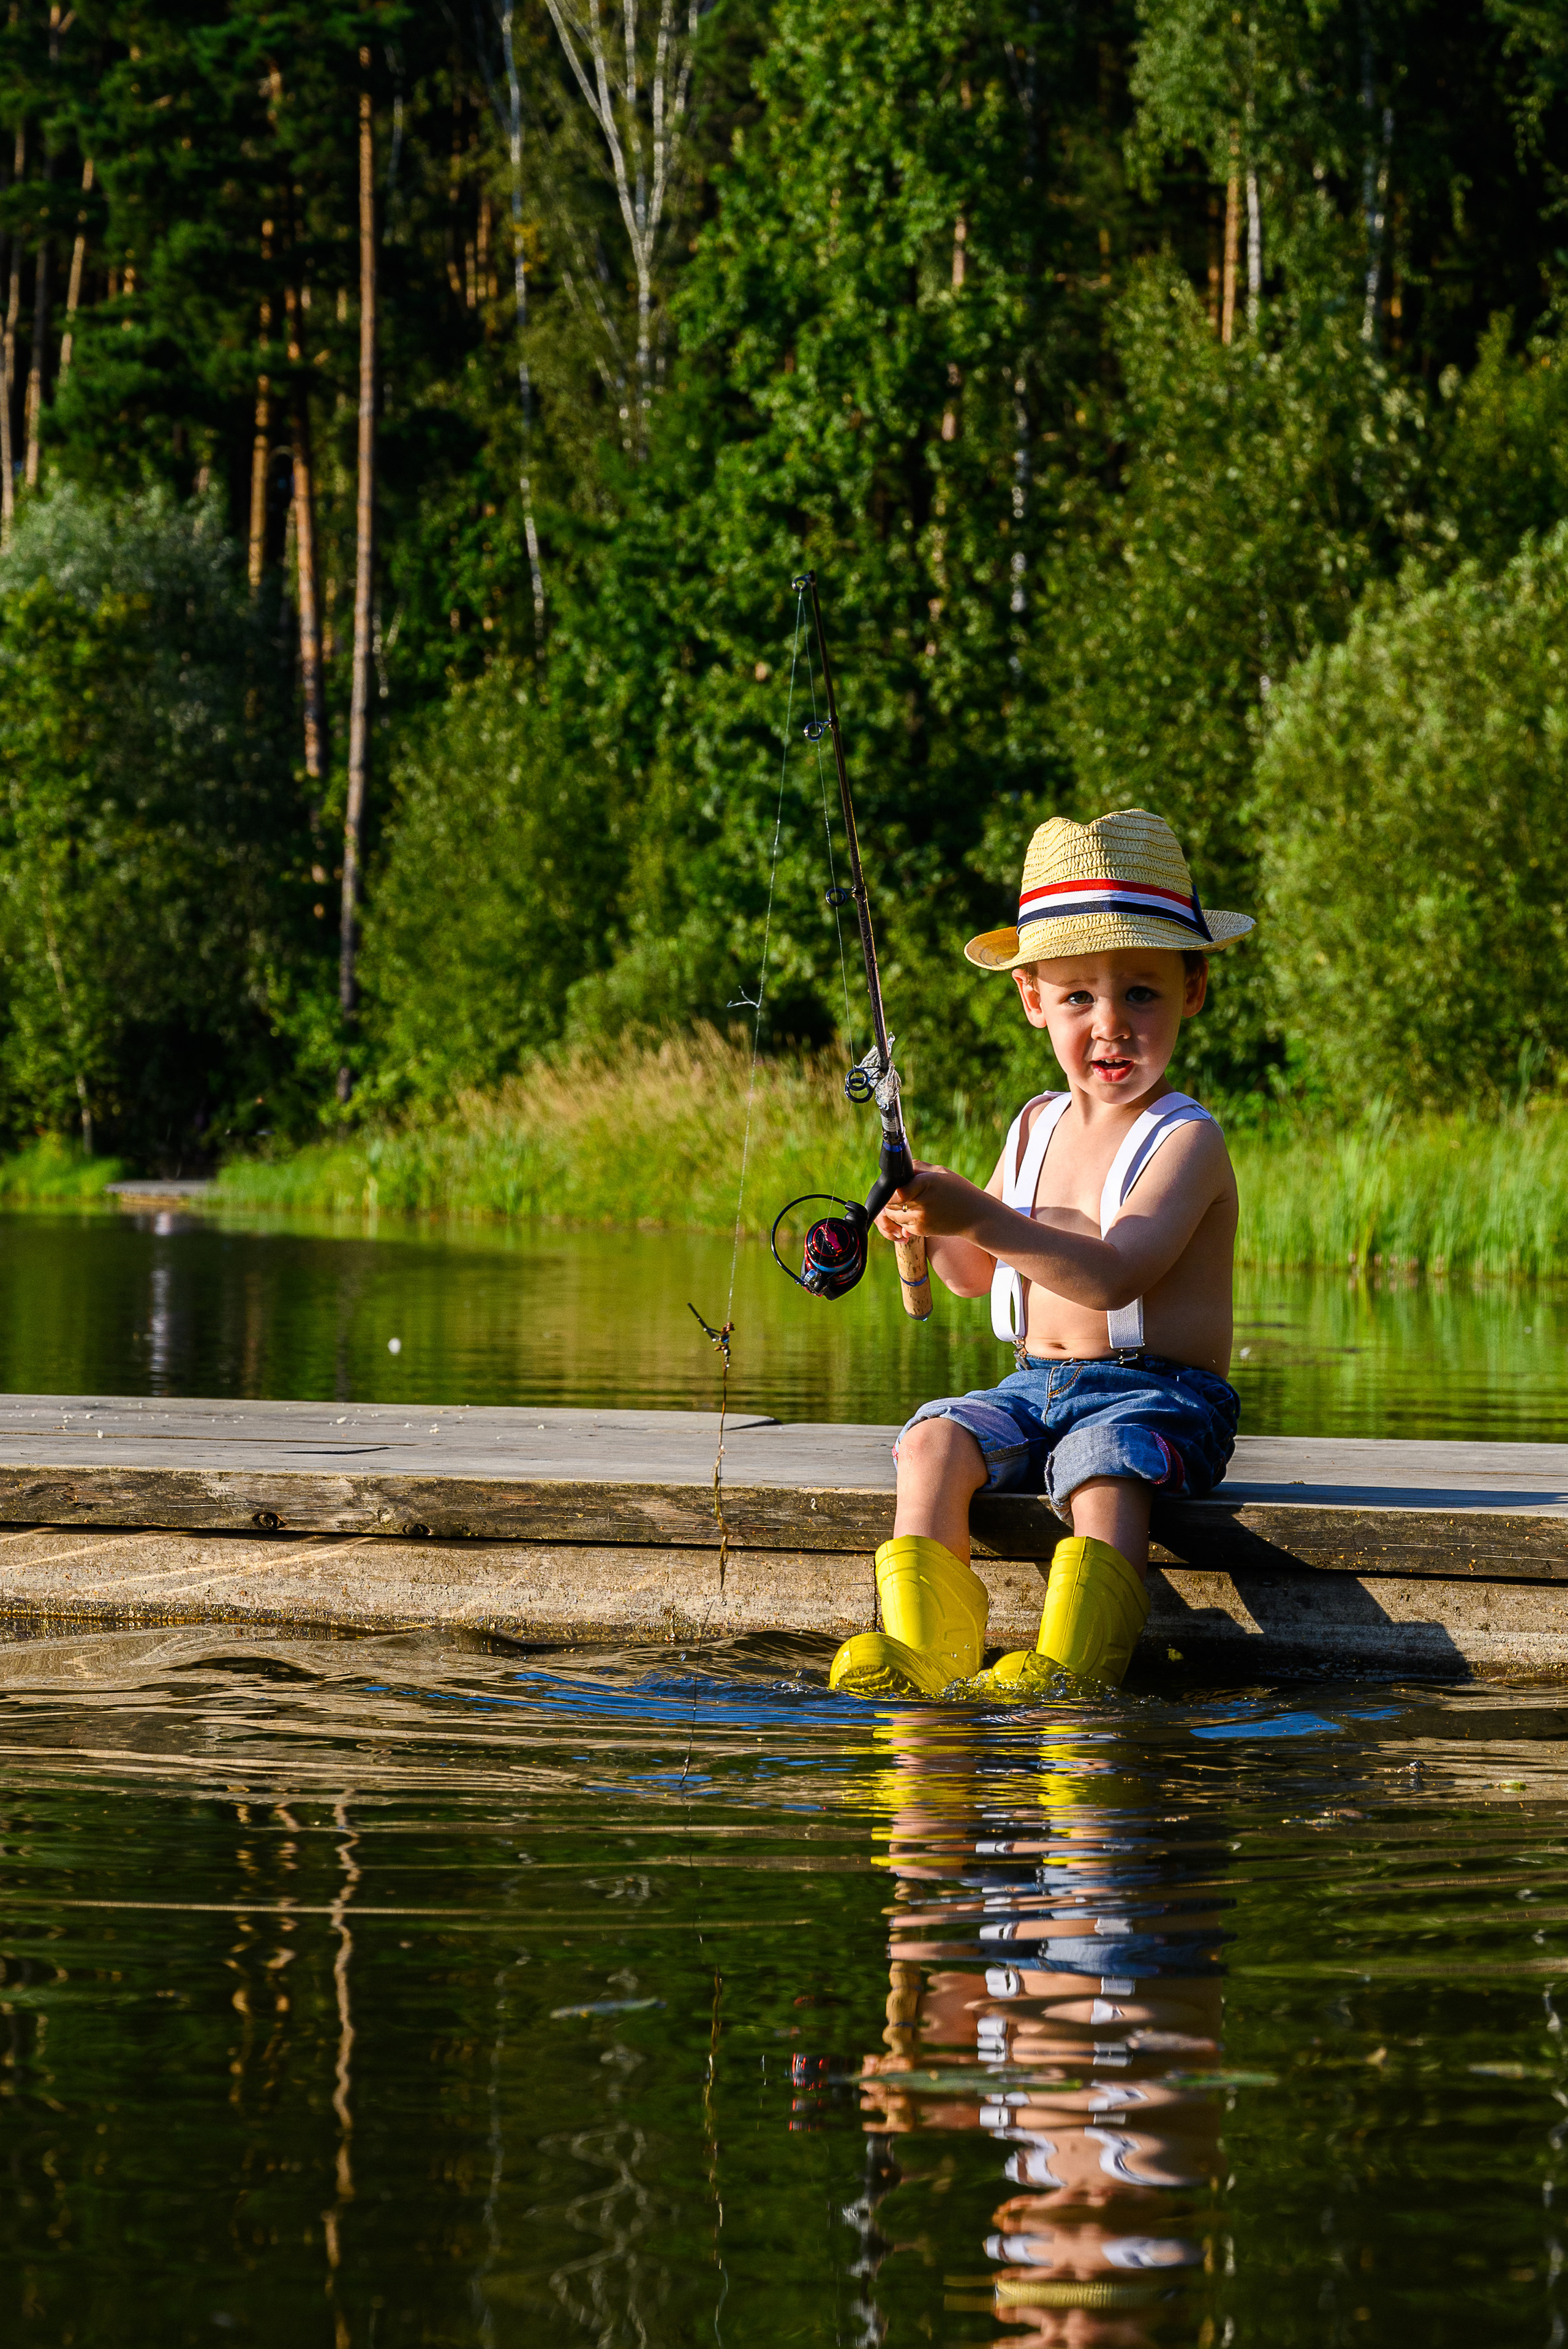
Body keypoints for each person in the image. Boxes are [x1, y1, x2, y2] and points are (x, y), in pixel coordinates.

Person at [829, 806, 1252, 1700]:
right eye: (1078, 997)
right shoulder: (1033, 1126)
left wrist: (978, 1215)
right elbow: (976, 1277)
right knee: (932, 1440)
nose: (1111, 1024)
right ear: (1033, 1001)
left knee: (1104, 1458)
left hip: (1160, 1395)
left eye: (1142, 993)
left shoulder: (1188, 1140)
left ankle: (1075, 1670)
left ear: (1193, 989)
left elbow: (1115, 1274)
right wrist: (930, 1226)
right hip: (1031, 1386)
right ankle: (924, 1656)